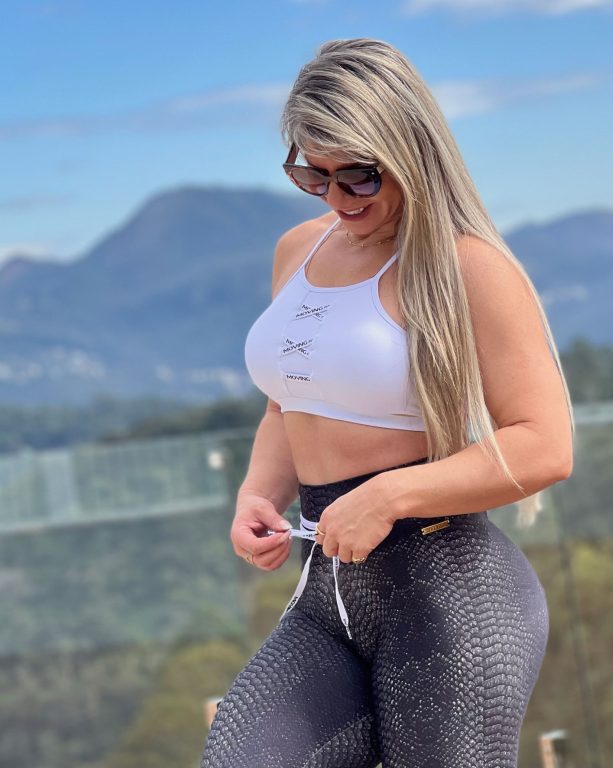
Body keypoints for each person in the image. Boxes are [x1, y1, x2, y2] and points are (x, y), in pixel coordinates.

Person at [200, 37, 575, 768]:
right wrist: (258, 494)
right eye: (313, 174)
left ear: (408, 151)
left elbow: (544, 444)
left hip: (450, 597)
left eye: (359, 176)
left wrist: (388, 496)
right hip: (326, 597)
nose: (337, 199)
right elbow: (285, 405)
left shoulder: (469, 267)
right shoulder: (297, 250)